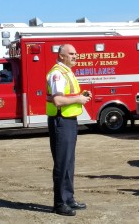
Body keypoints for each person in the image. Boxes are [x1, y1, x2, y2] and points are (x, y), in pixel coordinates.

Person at [46, 44, 92, 216]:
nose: (75, 56)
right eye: (71, 54)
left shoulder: (66, 71)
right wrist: (79, 99)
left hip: (69, 121)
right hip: (61, 121)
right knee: (62, 163)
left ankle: (69, 199)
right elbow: (58, 100)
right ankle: (59, 203)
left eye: (76, 54)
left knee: (69, 163)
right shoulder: (57, 73)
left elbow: (65, 96)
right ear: (61, 56)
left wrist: (81, 96)